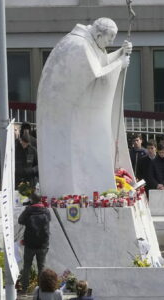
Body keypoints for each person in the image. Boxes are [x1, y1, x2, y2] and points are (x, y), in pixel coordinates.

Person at [36, 17, 132, 197]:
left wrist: (120, 53)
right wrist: (120, 64)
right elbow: (97, 77)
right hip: (64, 118)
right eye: (109, 39)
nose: (110, 43)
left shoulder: (89, 42)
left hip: (72, 114)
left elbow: (99, 64)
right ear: (97, 34)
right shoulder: (79, 46)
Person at [18, 193, 51, 293]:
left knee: (27, 267)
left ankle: (24, 289)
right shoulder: (46, 210)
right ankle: (42, 289)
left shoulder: (28, 210)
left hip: (29, 244)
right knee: (41, 267)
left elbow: (20, 220)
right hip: (43, 244)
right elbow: (49, 220)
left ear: (32, 200)